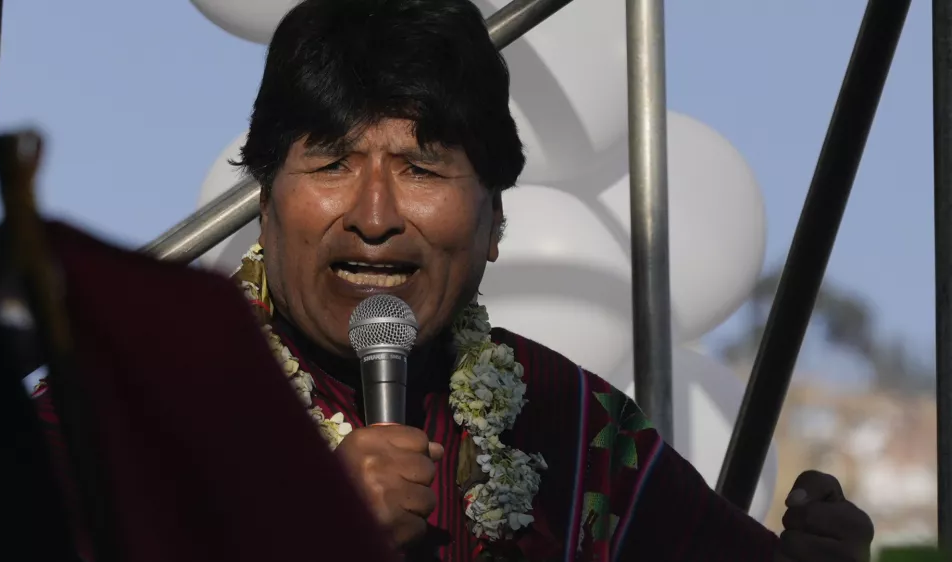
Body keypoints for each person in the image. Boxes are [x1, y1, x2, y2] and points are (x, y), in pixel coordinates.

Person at [224, 0, 876, 560]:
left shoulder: (564, 418)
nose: (374, 217)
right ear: (265, 201)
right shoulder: (171, 388)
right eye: (334, 162)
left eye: (420, 169)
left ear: (497, 220)